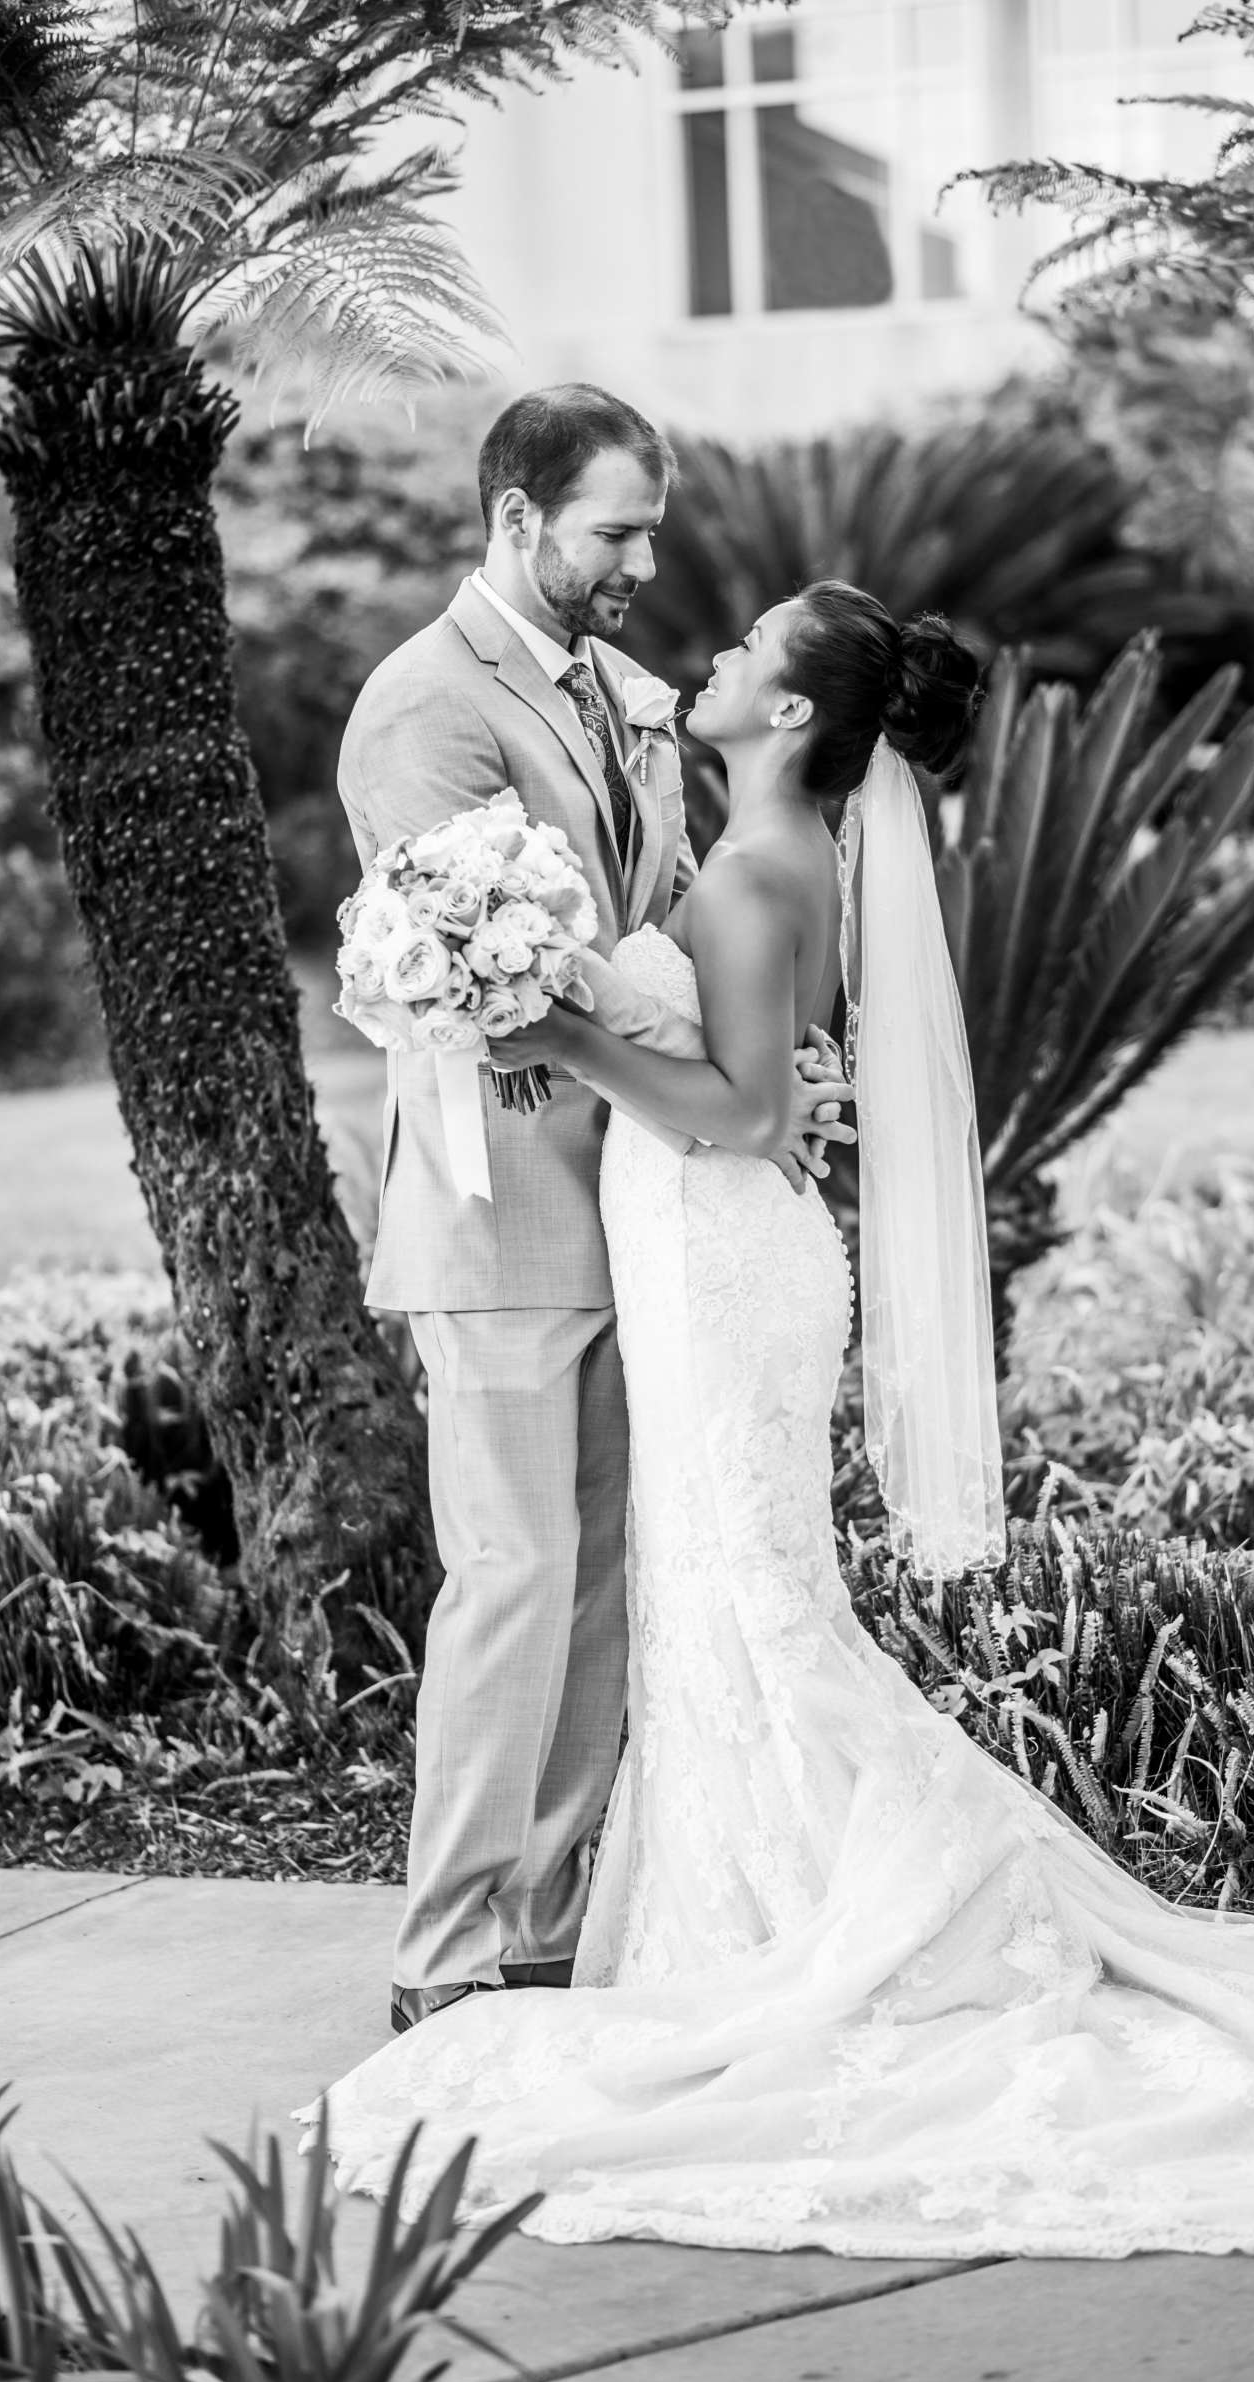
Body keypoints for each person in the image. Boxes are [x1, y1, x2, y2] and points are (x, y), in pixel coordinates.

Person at [309, 581, 1254, 2262]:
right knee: (728, 1601)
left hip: (718, 1256)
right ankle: (754, 1908)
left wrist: (553, 1022)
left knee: (747, 1605)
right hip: (721, 1261)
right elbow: (787, 1081)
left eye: (745, 655)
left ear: (791, 716)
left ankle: (817, 1914)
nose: (709, 659)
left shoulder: (745, 869)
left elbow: (732, 1113)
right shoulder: (781, 853)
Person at [335, 385, 853, 2035]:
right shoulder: (426, 706)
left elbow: (664, 930)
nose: (646, 559)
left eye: (650, 527)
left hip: (656, 1200)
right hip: (502, 1219)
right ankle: (444, 1954)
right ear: (516, 520)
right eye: (616, 530)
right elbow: (476, 971)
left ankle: (548, 1929)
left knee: (603, 1581)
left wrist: (777, 1061)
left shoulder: (627, 700)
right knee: (509, 1576)